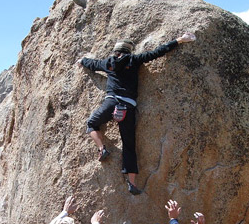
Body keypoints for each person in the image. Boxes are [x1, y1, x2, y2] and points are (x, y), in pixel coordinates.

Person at [77, 32, 196, 195]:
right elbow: (158, 52)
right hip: (128, 106)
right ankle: (132, 183)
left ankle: (102, 148)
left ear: (116, 51)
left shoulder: (108, 63)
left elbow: (92, 64)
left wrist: (82, 61)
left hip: (111, 102)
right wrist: (179, 40)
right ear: (128, 51)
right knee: (129, 144)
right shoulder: (134, 61)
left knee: (91, 123)